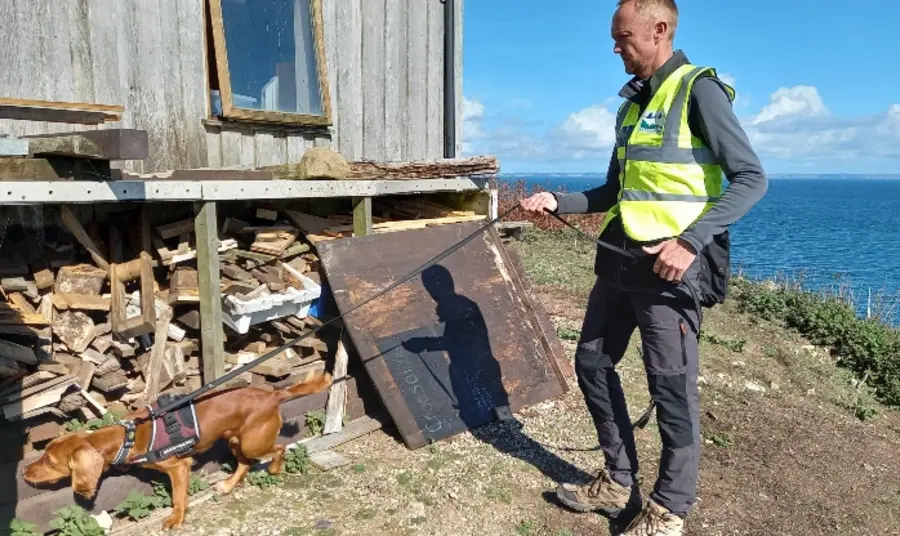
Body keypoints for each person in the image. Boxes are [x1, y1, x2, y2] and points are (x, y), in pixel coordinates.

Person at [519, 0, 767, 534]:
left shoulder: (699, 90)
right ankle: (618, 479)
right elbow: (614, 190)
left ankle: (669, 510)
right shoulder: (630, 106)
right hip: (620, 262)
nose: (615, 47)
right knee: (591, 363)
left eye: (623, 36)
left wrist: (690, 241)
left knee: (670, 388)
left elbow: (751, 178)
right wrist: (557, 202)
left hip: (669, 272)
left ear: (659, 30)